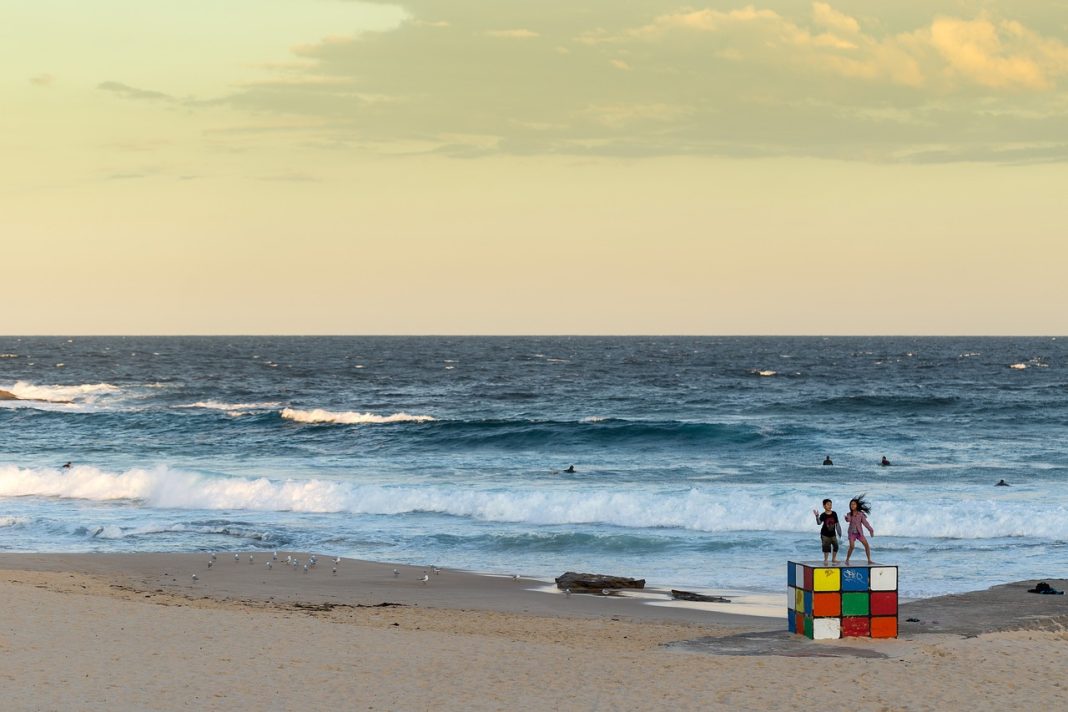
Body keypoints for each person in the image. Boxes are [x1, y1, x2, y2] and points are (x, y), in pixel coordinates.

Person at [844, 494, 875, 565]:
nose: (852, 506)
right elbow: (848, 520)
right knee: (852, 546)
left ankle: (869, 560)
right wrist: (846, 518)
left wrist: (871, 530)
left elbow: (865, 523)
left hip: (859, 533)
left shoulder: (861, 514)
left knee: (866, 545)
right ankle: (847, 559)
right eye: (851, 504)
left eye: (854, 504)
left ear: (857, 505)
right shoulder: (849, 514)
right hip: (851, 533)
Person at [812, 499, 842, 565]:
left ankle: (834, 559)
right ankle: (825, 559)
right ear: (824, 506)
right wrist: (817, 516)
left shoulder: (834, 513)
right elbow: (819, 523)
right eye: (828, 504)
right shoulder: (823, 515)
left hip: (833, 534)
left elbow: (837, 523)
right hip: (825, 534)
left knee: (836, 546)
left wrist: (839, 531)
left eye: (830, 504)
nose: (830, 506)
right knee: (826, 547)